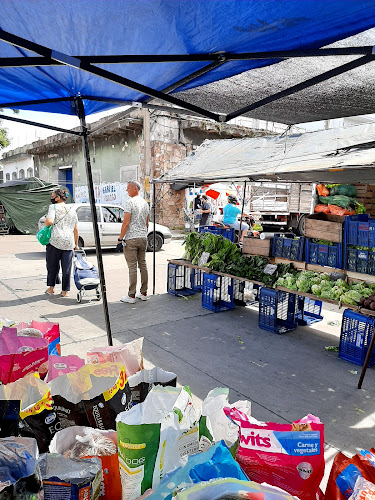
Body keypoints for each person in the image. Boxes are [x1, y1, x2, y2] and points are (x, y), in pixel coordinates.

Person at [118, 180, 150, 304]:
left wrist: (120, 238)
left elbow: (126, 223)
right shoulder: (145, 203)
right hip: (143, 237)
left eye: (128, 188)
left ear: (135, 189)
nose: (127, 190)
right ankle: (144, 292)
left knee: (132, 266)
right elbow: (146, 223)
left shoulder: (129, 202)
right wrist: (143, 233)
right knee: (142, 264)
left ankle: (131, 295)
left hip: (131, 238)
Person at [44, 189, 79, 297]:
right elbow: (76, 229)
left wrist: (46, 224)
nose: (52, 198)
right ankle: (65, 291)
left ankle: (51, 288)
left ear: (58, 198)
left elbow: (49, 221)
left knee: (52, 265)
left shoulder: (53, 207)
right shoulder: (72, 209)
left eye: (53, 196)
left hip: (55, 240)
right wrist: (76, 244)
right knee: (66, 268)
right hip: (69, 242)